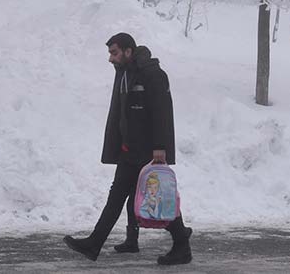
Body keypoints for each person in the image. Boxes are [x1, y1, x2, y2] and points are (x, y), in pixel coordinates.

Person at [63, 32, 193, 266]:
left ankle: (182, 244)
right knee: (117, 197)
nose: (110, 58)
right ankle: (94, 243)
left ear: (128, 51)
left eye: (114, 53)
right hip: (128, 149)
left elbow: (162, 112)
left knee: (158, 196)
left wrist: (160, 147)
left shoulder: (153, 74)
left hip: (147, 150)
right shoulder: (124, 74)